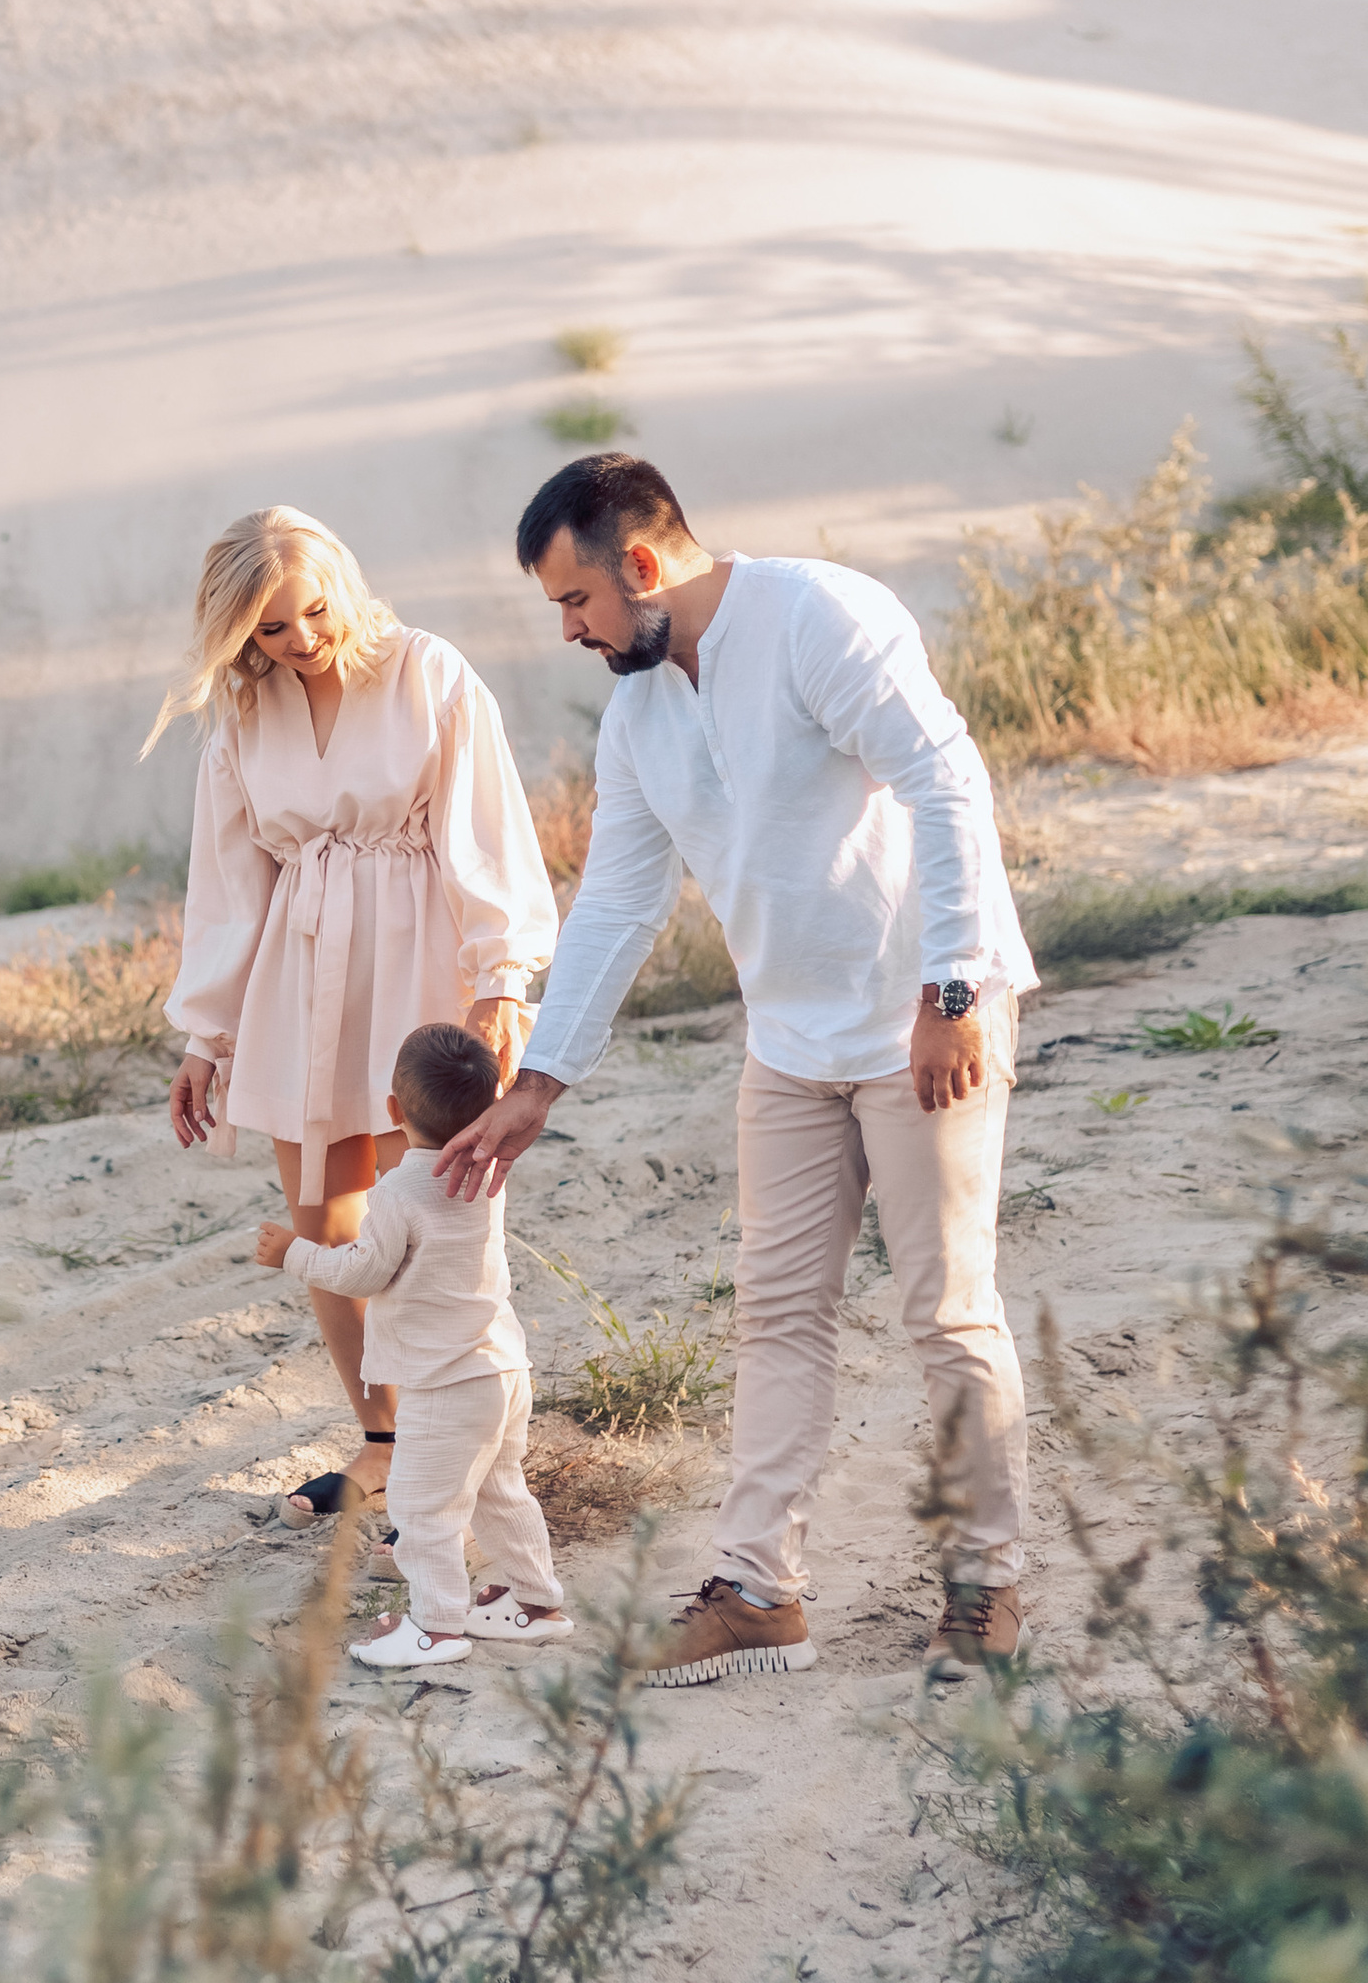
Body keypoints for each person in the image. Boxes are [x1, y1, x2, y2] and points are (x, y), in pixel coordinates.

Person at [435, 453, 1038, 1686]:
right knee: (773, 1311)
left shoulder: (819, 615)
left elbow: (944, 781)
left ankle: (985, 1582)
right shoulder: (639, 716)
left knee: (944, 1310)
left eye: (575, 601)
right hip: (789, 1044)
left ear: (639, 564)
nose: (569, 631)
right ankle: (760, 1592)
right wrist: (538, 1081)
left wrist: (952, 989)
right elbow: (617, 902)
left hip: (921, 1018)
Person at [151, 506, 558, 1526]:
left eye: (314, 613)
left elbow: (486, 835)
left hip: (419, 960)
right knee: (324, 1222)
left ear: (342, 585)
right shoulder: (243, 718)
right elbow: (229, 887)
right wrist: (207, 1037)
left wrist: (501, 980)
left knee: (430, 1217)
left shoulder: (427, 672)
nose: (300, 640)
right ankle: (383, 1440)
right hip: (300, 975)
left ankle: (459, 1436)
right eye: (270, 628)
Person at [253, 1022, 573, 1668]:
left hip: (444, 1382)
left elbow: (363, 1273)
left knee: (424, 1509)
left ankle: (436, 1627)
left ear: (393, 1109)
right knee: (502, 1492)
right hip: (504, 1368)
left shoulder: (398, 1189)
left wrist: (295, 1254)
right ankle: (536, 1603)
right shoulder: (489, 1170)